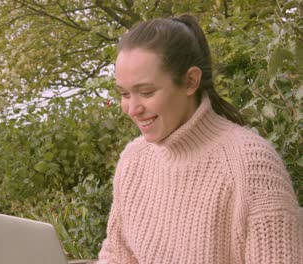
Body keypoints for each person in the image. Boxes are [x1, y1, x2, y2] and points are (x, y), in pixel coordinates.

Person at [97, 15, 302, 263]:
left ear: (190, 81)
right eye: (125, 94)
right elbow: (116, 256)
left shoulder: (252, 166)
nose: (132, 109)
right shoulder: (133, 162)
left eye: (146, 92)